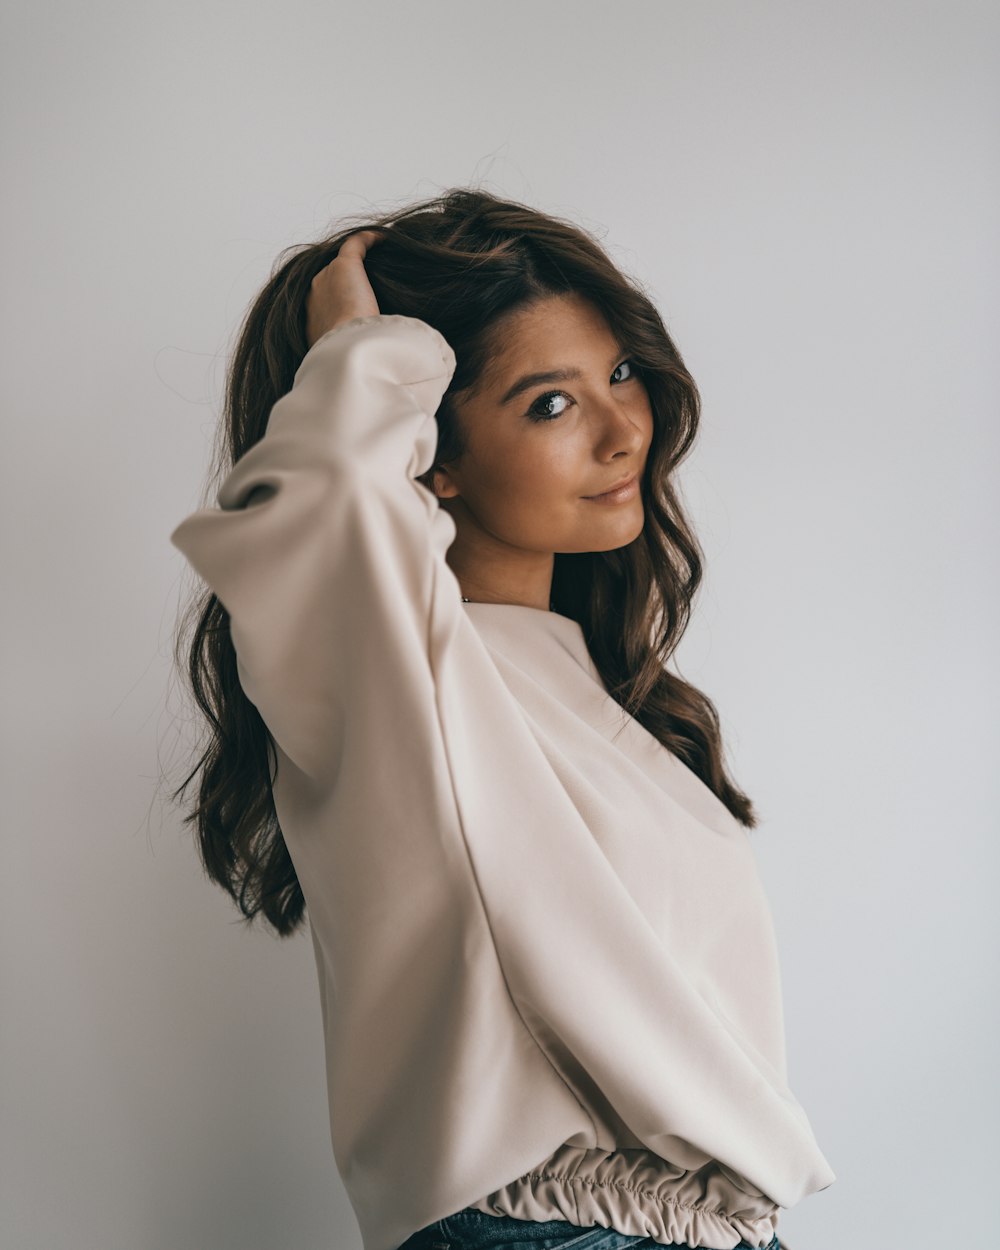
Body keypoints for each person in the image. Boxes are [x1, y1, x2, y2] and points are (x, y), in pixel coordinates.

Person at [169, 188, 835, 1250]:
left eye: (619, 373)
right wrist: (359, 348)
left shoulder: (594, 694)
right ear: (427, 448)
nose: (623, 431)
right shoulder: (391, 670)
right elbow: (320, 502)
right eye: (549, 403)